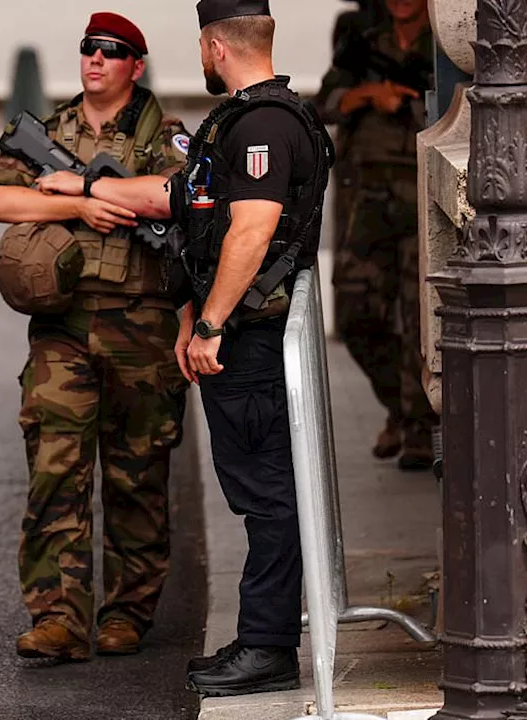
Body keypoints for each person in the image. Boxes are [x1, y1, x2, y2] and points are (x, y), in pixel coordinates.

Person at [0, 12, 191, 660]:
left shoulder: (167, 134)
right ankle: (59, 618)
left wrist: (95, 184)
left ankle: (128, 610)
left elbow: (176, 195)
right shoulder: (49, 132)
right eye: (88, 50)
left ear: (137, 65)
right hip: (63, 327)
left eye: (111, 52)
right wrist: (78, 206)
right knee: (54, 470)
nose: (95, 60)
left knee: (137, 476)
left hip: (143, 325)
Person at [173, 0, 333, 697]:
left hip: (249, 343)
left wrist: (209, 325)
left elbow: (251, 230)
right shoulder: (253, 117)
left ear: (214, 45)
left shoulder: (263, 123)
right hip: (244, 337)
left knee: (267, 499)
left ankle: (269, 647)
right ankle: (261, 635)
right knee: (260, 495)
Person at [315, 0, 435, 470]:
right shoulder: (363, 37)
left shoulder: (447, 43)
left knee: (420, 319)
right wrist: (370, 94)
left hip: (426, 199)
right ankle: (401, 409)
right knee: (355, 314)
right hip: (366, 198)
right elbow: (324, 103)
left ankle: (420, 428)